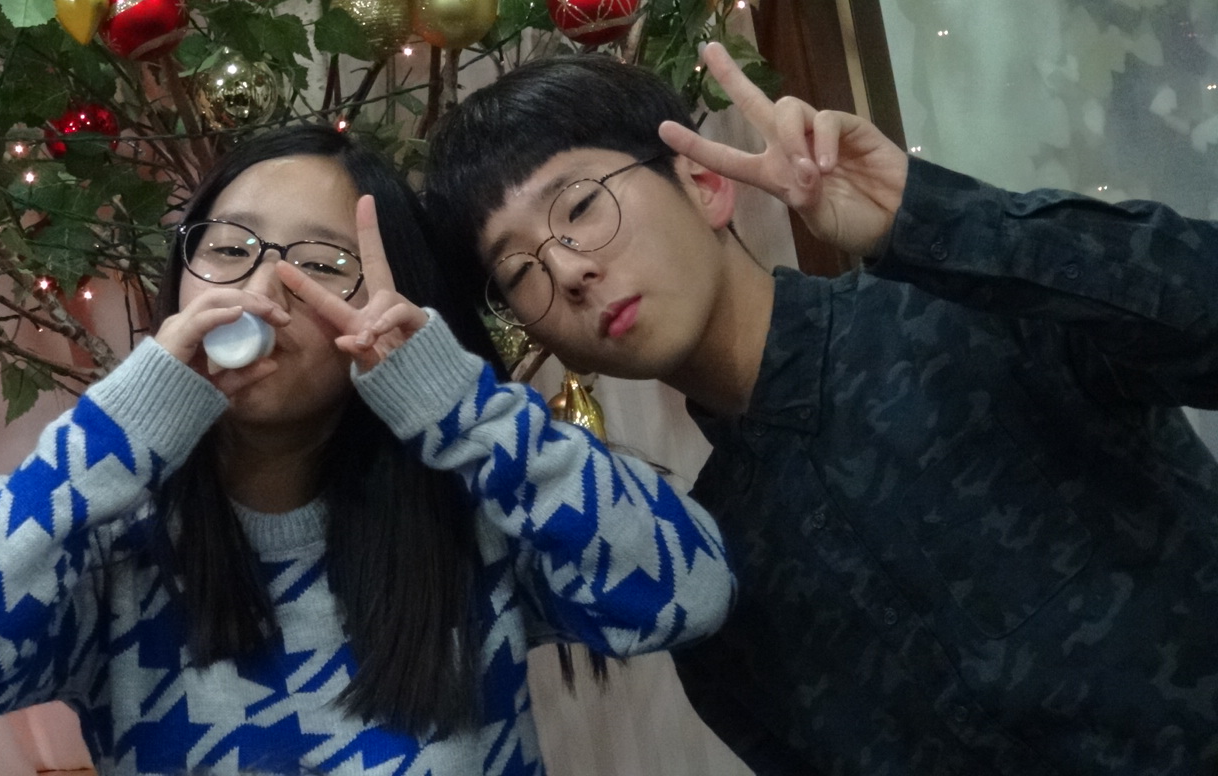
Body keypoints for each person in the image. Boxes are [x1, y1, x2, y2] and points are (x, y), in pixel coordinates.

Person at [424, 43, 1218, 775]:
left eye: (579, 207)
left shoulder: (970, 311)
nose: (566, 271)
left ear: (703, 183)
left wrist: (928, 216)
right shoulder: (711, 582)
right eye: (519, 270)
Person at [0, 125, 733, 774]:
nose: (262, 290)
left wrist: (459, 408)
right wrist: (123, 428)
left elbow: (687, 594)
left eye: (321, 264)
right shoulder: (106, 537)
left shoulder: (473, 511)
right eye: (229, 249)